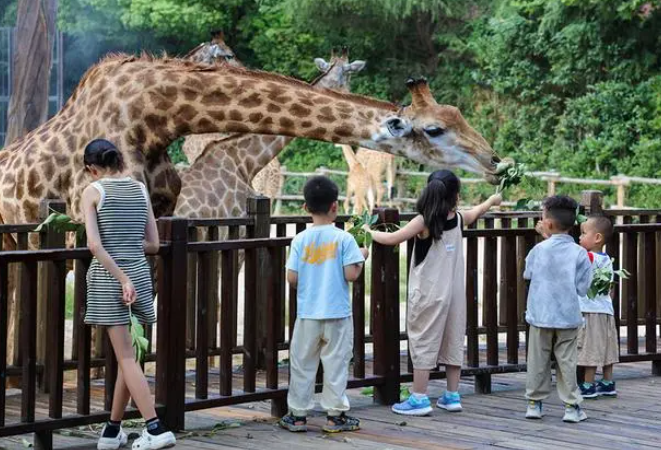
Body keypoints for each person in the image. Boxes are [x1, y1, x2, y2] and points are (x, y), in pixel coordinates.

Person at [365, 170, 501, 416]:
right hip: (454, 295)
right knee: (452, 339)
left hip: (429, 293)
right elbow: (476, 211)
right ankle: (452, 395)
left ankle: (419, 398)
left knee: (424, 340)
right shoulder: (458, 219)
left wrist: (366, 231)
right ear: (455, 196)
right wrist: (491, 201)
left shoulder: (424, 221)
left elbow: (392, 238)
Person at [81, 139, 176, 450]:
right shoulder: (138, 189)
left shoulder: (93, 192)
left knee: (125, 356)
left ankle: (155, 427)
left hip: (113, 280)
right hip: (139, 274)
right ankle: (112, 430)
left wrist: (121, 278)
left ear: (91, 169)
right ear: (119, 161)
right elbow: (154, 244)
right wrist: (131, 257)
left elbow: (95, 246)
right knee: (131, 356)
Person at [279, 176, 368, 433]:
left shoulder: (299, 240)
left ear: (305, 208)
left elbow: (292, 278)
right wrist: (361, 258)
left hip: (308, 314)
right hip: (337, 314)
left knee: (302, 364)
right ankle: (335, 416)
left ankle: (297, 415)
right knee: (336, 364)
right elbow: (351, 274)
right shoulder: (344, 239)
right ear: (335, 207)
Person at [524, 195, 593, 423]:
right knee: (567, 361)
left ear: (549, 224)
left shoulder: (538, 250)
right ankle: (572, 407)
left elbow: (528, 274)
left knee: (537, 360)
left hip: (540, 315)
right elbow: (583, 288)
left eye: (542, 218)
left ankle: (534, 404)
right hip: (567, 317)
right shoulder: (579, 253)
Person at [577, 216, 619, 398]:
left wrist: (548, 235)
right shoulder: (607, 260)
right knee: (607, 346)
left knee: (590, 348)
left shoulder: (589, 257)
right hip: (606, 310)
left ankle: (588, 384)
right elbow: (611, 289)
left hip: (590, 310)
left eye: (583, 233)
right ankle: (608, 382)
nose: (579, 237)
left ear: (597, 238)